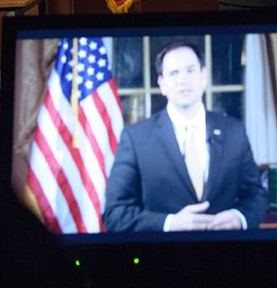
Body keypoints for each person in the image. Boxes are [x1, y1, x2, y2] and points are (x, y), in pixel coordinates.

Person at [104, 41, 268, 232]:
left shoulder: (234, 132)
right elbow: (115, 214)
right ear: (162, 84)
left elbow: (256, 196)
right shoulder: (136, 138)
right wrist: (169, 223)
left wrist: (240, 218)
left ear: (203, 76)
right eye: (174, 73)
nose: (183, 80)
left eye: (190, 70)